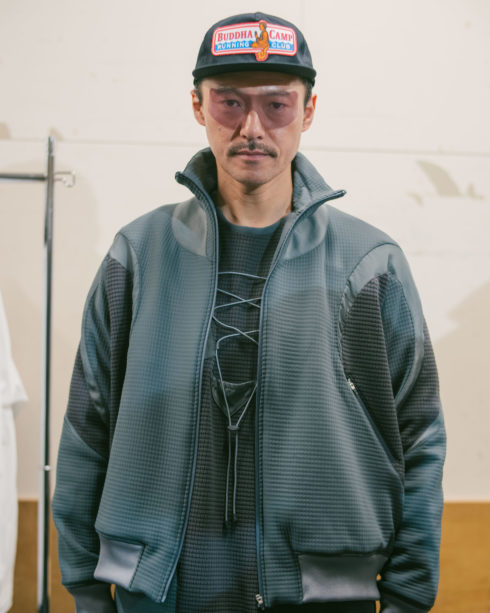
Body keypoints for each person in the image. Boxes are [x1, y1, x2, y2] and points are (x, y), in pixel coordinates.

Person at [52, 12, 446, 613]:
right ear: (198, 105)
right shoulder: (138, 255)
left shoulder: (369, 264)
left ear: (308, 111)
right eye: (230, 103)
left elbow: (419, 436)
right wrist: (85, 587)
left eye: (277, 105)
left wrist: (409, 594)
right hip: (159, 592)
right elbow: (88, 424)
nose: (252, 128)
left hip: (321, 595)